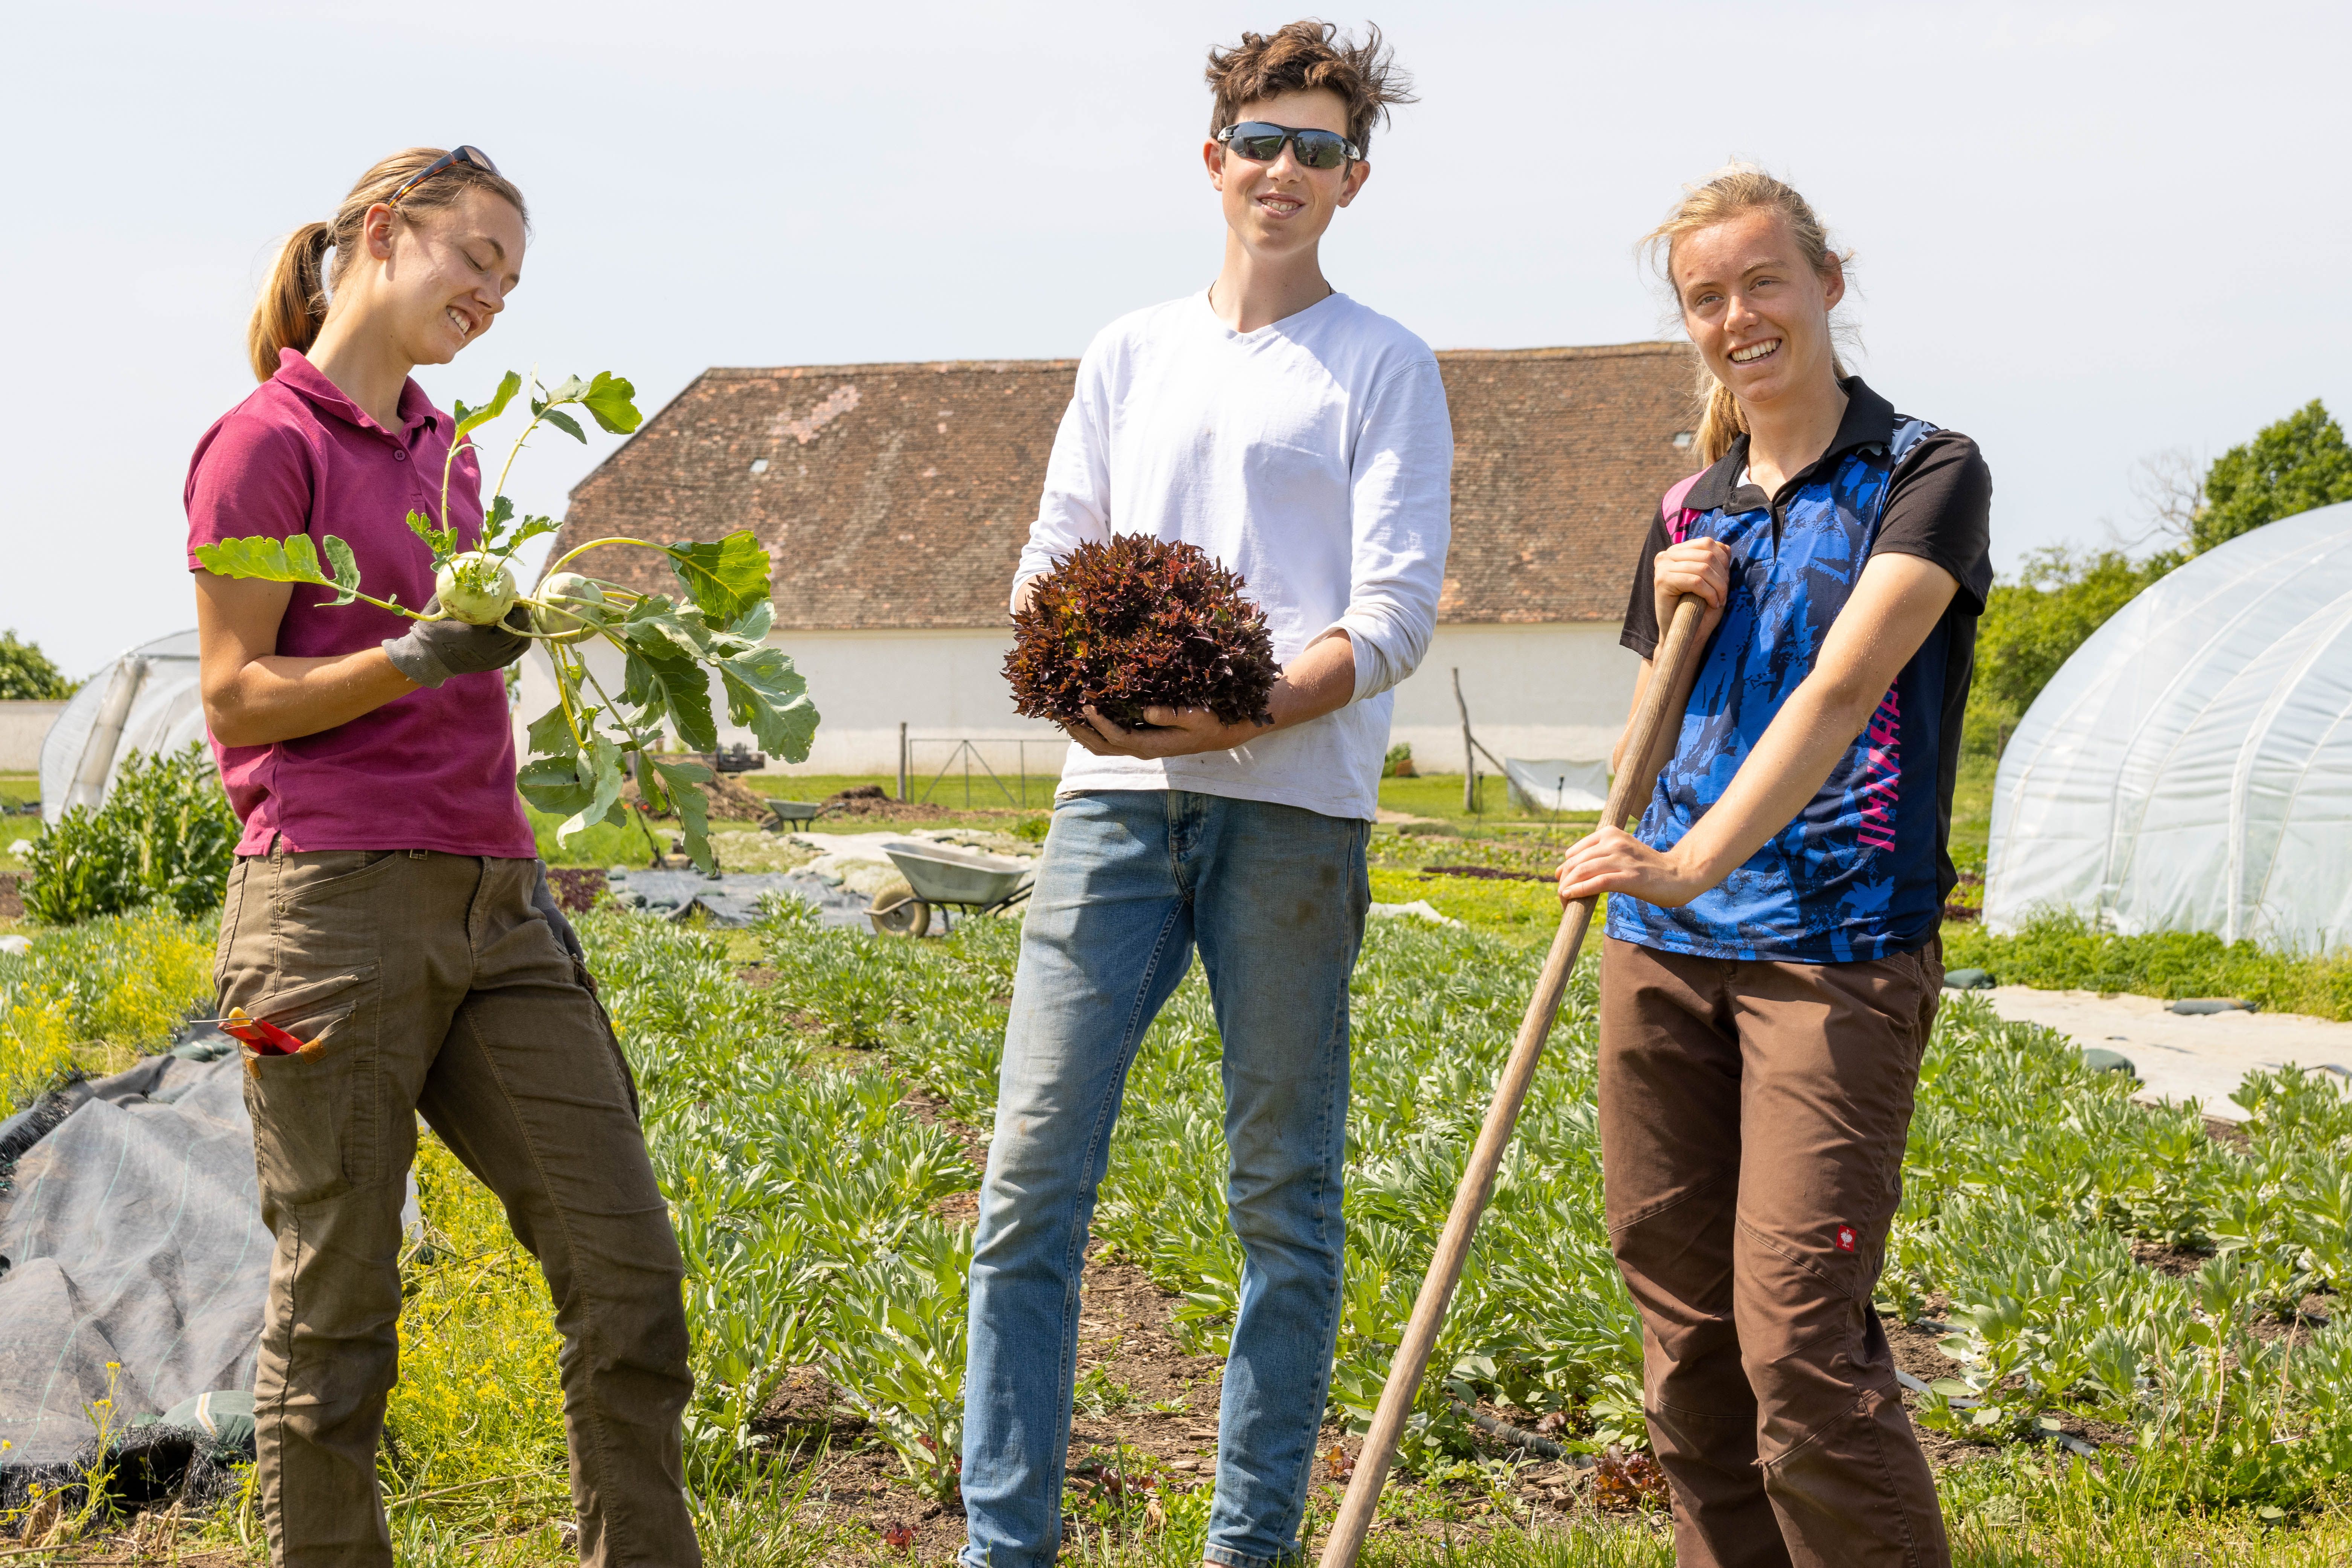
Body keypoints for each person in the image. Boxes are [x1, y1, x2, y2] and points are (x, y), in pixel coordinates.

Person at [959, 23, 1449, 1568]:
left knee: (1280, 1197)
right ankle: (1002, 1542)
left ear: (1351, 180)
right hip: (1109, 805)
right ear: (1213, 157)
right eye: (1260, 140)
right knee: (1029, 1178)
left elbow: (1391, 610)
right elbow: (1055, 554)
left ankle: (1249, 1548)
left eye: (1316, 150)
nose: (1281, 171)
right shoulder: (1129, 351)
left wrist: (1238, 709)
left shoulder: (1383, 364)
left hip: (1293, 815)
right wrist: (1096, 694)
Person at [188, 148, 699, 1567]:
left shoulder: (456, 450)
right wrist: (411, 655)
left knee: (626, 1269)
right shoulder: (263, 442)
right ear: (381, 232)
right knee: (337, 1312)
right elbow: (234, 691)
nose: (490, 293)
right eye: (473, 255)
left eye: (510, 280)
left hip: (497, 899)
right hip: (330, 906)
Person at [1555, 167, 1991, 1568]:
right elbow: (1647, 738)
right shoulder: (1691, 509)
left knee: (1800, 1349)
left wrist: (1681, 865)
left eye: (1762, 282)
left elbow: (1840, 694)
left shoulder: (1924, 471)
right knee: (1688, 1352)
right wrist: (1673, 605)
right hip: (1663, 961)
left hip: (1835, 956)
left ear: (1826, 284)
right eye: (1706, 297)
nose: (1737, 316)